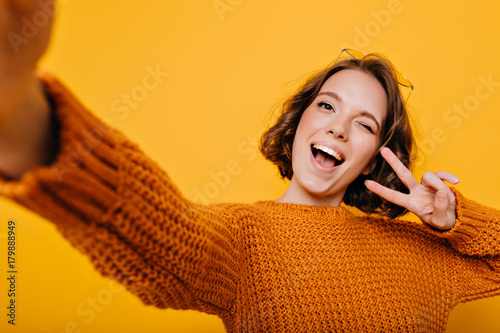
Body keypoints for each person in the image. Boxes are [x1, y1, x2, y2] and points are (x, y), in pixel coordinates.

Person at [1, 1, 499, 332]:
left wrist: (458, 221)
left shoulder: (418, 252)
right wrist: (25, 118)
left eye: (364, 125)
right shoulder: (244, 237)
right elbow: (163, 235)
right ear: (299, 120)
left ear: (376, 155)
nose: (338, 130)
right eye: (326, 106)